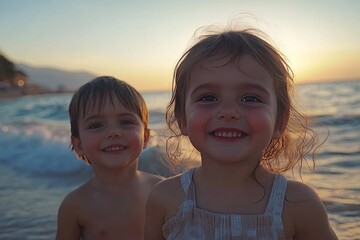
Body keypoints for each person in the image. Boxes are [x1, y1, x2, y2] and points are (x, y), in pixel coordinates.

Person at [144, 27, 338, 239]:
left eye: (250, 98)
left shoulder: (298, 204)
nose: (228, 112)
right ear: (182, 119)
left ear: (279, 121)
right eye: (208, 97)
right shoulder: (165, 197)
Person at [56, 76, 163, 240]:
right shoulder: (75, 205)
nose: (113, 132)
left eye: (126, 122)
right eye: (96, 125)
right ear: (78, 144)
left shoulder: (161, 191)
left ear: (146, 136)